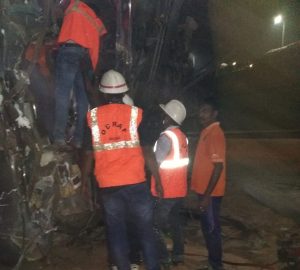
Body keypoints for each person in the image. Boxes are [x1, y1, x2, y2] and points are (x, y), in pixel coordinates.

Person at [81, 69, 163, 270]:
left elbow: (88, 154)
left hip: (109, 187)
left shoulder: (92, 118)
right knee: (146, 233)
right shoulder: (136, 114)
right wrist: (158, 180)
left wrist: (84, 181)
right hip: (136, 183)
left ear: (103, 93)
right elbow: (147, 152)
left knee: (116, 235)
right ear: (124, 91)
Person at [53, 0, 107, 149]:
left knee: (63, 94)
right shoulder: (93, 19)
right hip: (85, 56)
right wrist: (92, 69)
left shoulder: (74, 6)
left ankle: (59, 137)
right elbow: (95, 48)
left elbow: (57, 11)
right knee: (83, 99)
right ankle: (78, 139)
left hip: (69, 50)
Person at [150, 100, 189, 269]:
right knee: (175, 223)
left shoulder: (166, 138)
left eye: (164, 114)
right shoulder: (182, 137)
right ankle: (178, 254)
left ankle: (163, 257)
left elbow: (155, 162)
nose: (163, 117)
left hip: (165, 190)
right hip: (179, 189)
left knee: (154, 225)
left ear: (168, 117)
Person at [191, 98, 226, 270]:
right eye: (201, 110)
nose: (201, 114)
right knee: (207, 228)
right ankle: (213, 261)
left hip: (210, 194)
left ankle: (216, 265)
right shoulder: (206, 132)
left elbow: (218, 167)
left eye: (206, 111)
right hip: (204, 191)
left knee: (212, 230)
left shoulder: (215, 133)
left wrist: (206, 196)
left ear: (214, 114)